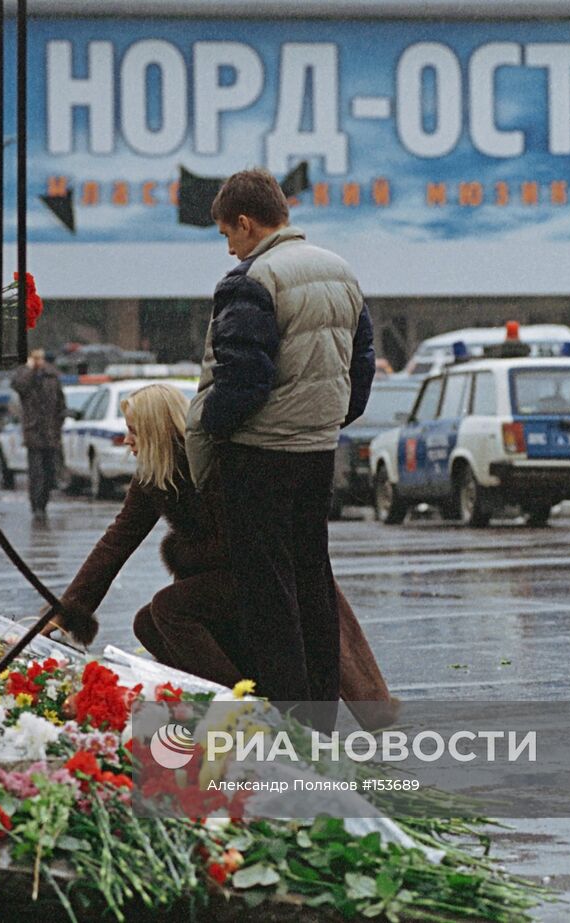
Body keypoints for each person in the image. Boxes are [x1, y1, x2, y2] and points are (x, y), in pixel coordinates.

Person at [43, 383, 394, 728]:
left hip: (259, 571)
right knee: (146, 623)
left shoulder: (213, 459)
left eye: (133, 431)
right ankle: (226, 694)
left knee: (170, 608)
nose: (127, 440)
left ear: (155, 431)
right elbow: (117, 542)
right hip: (225, 577)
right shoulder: (154, 474)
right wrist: (67, 611)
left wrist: (192, 558)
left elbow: (251, 535)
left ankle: (244, 709)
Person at [185, 168, 375, 721]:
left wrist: (216, 430)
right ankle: (320, 717)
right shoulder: (340, 271)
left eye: (227, 234)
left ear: (246, 223)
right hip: (317, 451)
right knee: (314, 581)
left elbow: (241, 378)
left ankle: (289, 723)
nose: (228, 247)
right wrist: (333, 419)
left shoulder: (250, 280)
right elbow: (360, 364)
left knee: (269, 596)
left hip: (260, 453)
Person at [10, 348, 65, 523]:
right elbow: (20, 386)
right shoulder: (25, 376)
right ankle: (37, 506)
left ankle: (44, 502)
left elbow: (60, 404)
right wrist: (31, 369)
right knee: (36, 472)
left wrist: (58, 425)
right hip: (34, 432)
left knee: (49, 472)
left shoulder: (52, 377)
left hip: (51, 432)